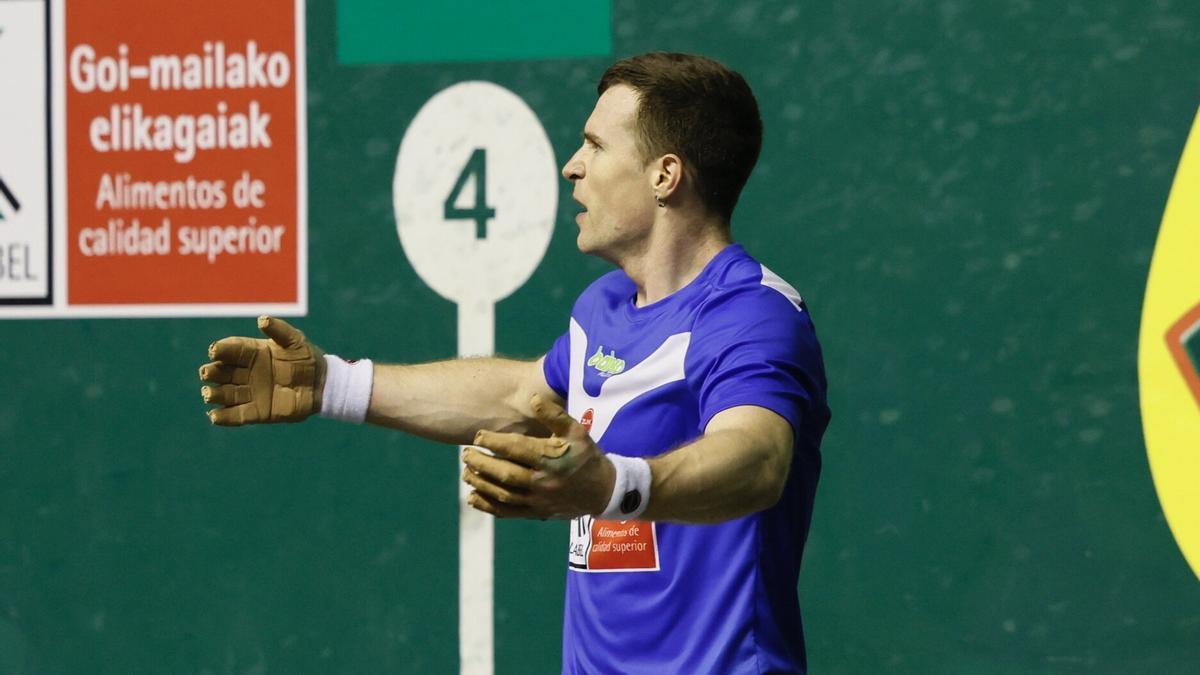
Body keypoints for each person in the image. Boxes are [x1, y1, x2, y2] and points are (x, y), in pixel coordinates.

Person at [199, 52, 830, 674]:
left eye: (595, 147)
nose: (571, 167)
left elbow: (758, 458)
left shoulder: (751, 314)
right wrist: (333, 384)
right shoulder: (603, 309)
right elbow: (520, 397)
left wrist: (614, 486)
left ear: (665, 175)